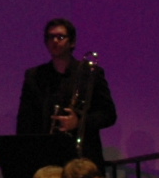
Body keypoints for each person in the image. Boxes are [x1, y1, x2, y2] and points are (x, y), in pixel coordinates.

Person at [15, 19, 117, 165]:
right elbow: (25, 119)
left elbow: (108, 115)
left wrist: (79, 122)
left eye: (61, 37)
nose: (55, 41)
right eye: (50, 37)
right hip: (46, 157)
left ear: (72, 42)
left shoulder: (90, 73)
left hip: (82, 157)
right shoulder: (34, 75)